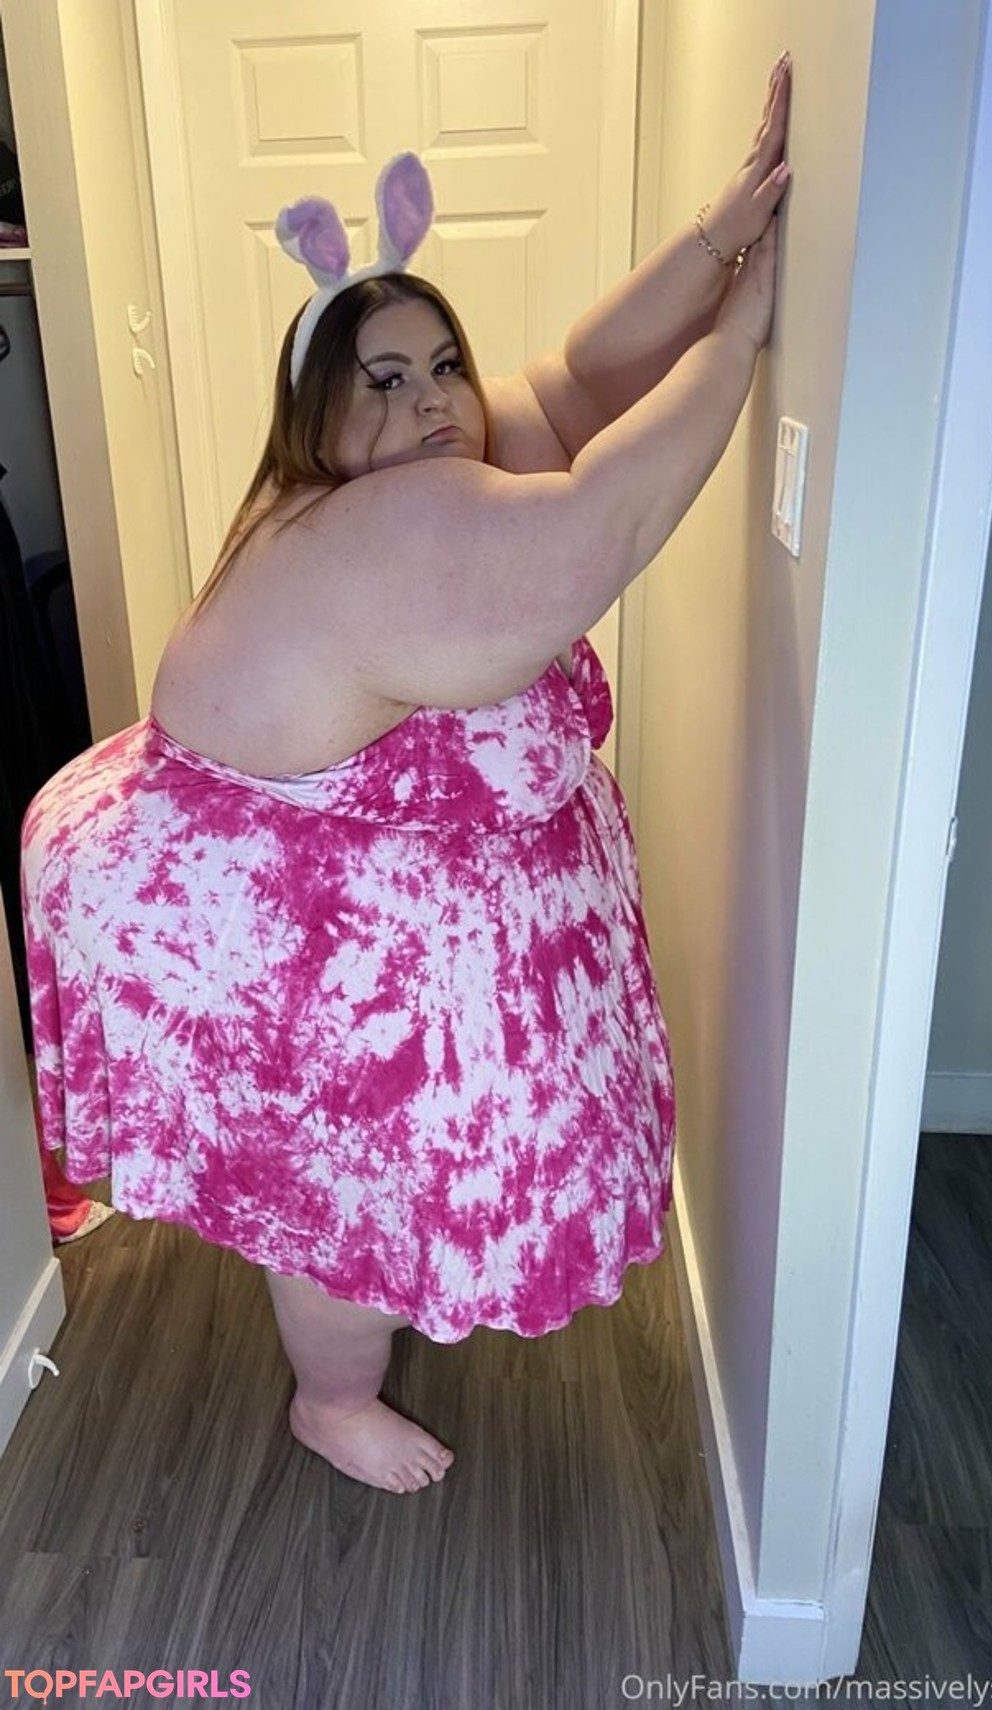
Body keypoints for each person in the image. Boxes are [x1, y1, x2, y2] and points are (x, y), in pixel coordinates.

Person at [20, 56, 791, 1496]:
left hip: (273, 844)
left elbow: (575, 380)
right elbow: (601, 521)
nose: (438, 400)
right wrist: (741, 332)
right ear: (315, 422)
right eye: (386, 381)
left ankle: (347, 1343)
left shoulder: (399, 476)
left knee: (361, 1163)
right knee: (340, 1180)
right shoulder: (374, 532)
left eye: (444, 365)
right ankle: (330, 1401)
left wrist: (716, 239)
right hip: (221, 907)